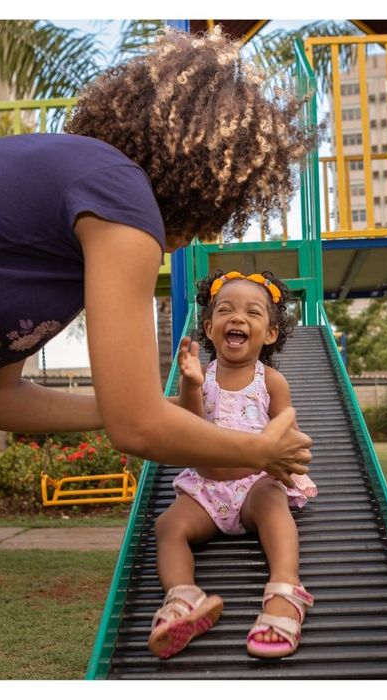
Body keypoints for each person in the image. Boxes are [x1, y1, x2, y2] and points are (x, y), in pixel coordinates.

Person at [0, 25, 316, 484]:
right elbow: (137, 430)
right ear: (205, 181)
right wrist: (260, 448)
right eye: (220, 212)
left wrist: (146, 407)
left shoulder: (73, 227)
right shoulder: (119, 194)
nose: (207, 230)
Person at [149, 270, 317, 660]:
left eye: (252, 313)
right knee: (168, 526)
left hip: (254, 482)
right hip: (207, 489)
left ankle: (286, 590)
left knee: (274, 504)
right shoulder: (200, 377)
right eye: (226, 310)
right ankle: (184, 597)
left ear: (270, 334)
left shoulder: (271, 382)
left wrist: (286, 465)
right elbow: (191, 427)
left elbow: (285, 431)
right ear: (209, 328)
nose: (237, 318)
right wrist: (190, 385)